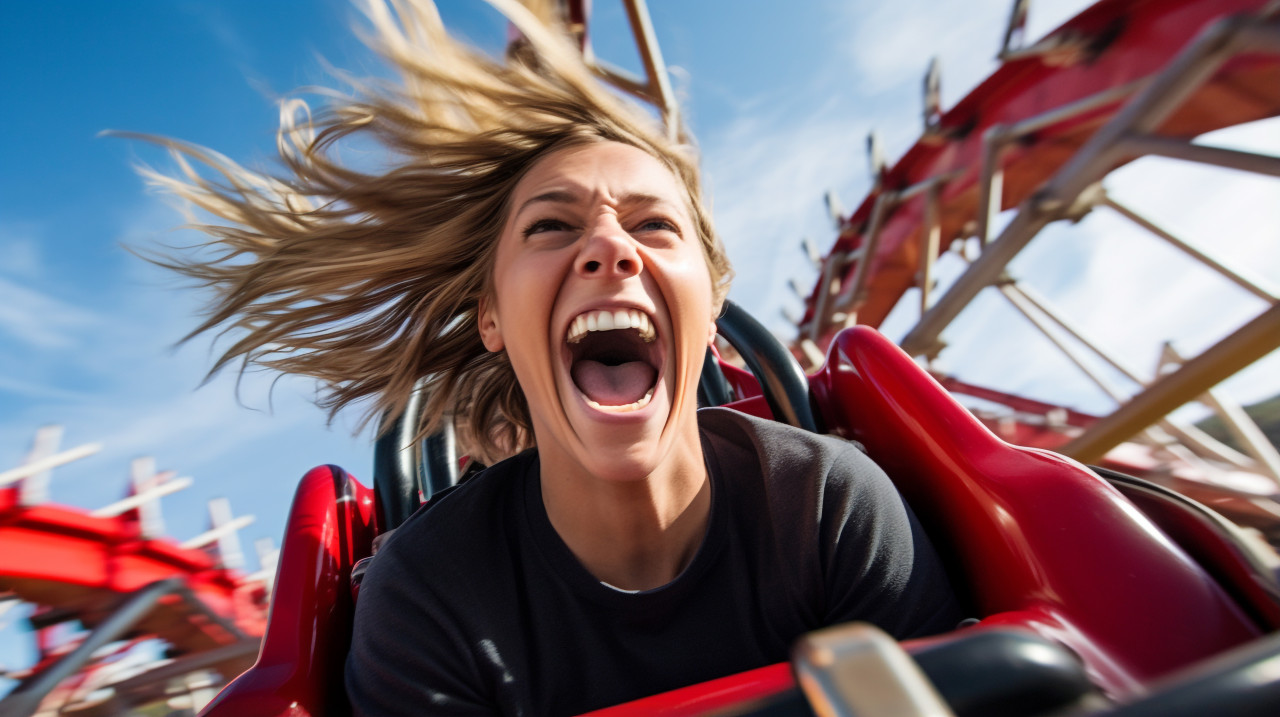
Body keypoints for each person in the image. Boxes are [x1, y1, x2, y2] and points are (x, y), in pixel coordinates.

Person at [138, 1, 962, 714]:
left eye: (653, 225)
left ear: (710, 312)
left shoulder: (824, 507)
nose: (610, 248)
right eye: (552, 226)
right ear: (491, 316)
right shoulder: (431, 595)